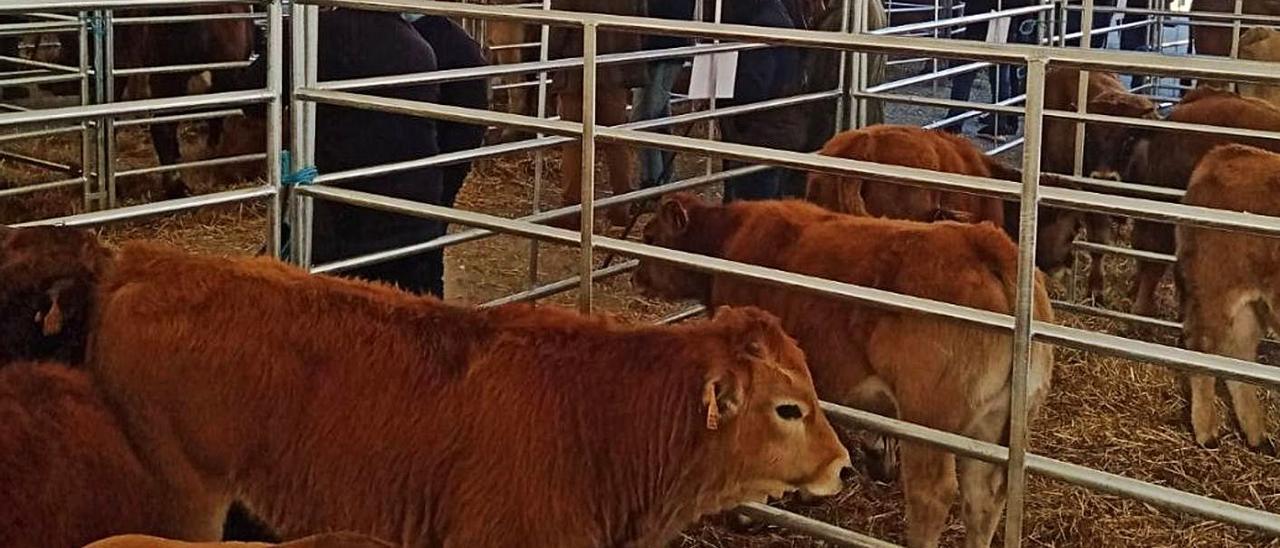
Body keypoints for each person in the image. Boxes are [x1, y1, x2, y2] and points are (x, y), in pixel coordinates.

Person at [549, 0, 648, 229]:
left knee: (575, 139)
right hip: (616, 67)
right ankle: (622, 203)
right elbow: (641, 19)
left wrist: (553, 56)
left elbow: (559, 27)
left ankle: (574, 208)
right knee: (615, 139)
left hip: (578, 66)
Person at [410, 14, 489, 297]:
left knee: (422, 254)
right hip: (438, 165)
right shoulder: (460, 44)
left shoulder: (421, 42)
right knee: (427, 250)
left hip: (428, 166)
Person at [718, 0, 805, 202]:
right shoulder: (778, 14)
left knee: (754, 206)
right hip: (782, 124)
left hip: (761, 130)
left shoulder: (760, 24)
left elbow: (754, 85)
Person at [631, 0, 696, 190]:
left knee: (644, 118)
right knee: (658, 115)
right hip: (663, 46)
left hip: (661, 47)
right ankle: (666, 176)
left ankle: (653, 182)